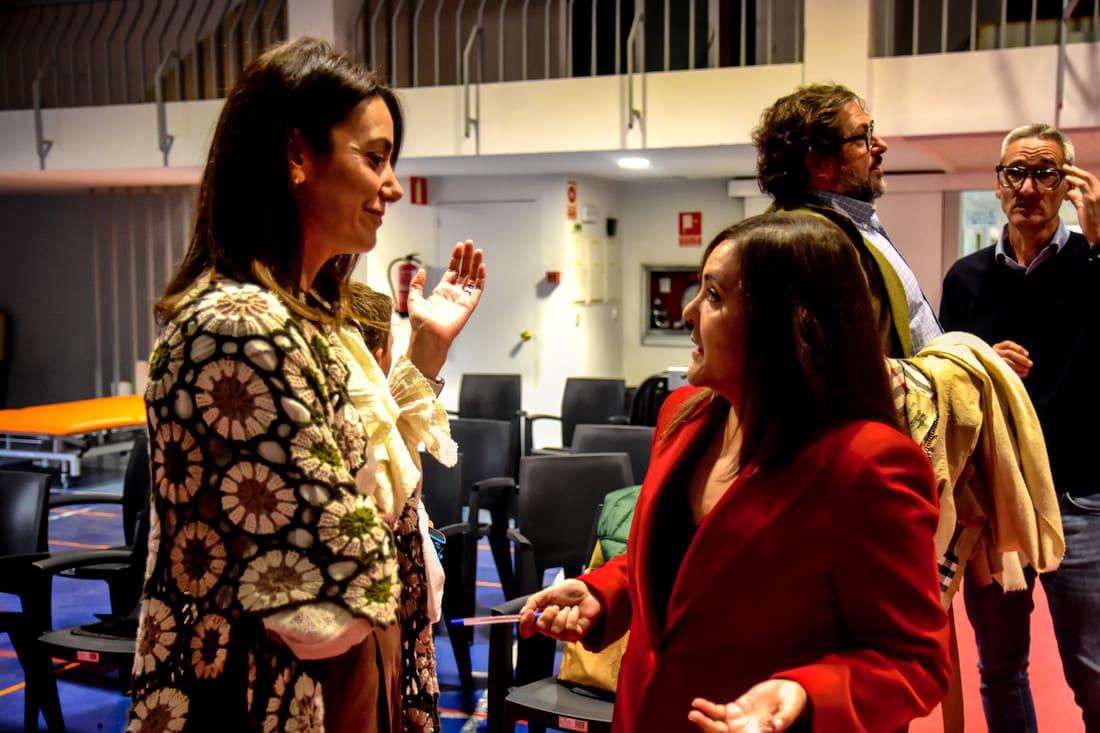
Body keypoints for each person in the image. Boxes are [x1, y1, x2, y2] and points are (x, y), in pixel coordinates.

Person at [127, 37, 485, 733]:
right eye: (374, 158)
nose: (392, 187)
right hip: (270, 696)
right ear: (297, 155)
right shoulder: (239, 325)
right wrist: (383, 562)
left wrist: (426, 351)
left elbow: (375, 483)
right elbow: (331, 572)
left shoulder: (312, 320)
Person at [519, 212, 951, 732]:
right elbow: (678, 565)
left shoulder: (868, 464)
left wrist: (804, 694)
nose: (688, 311)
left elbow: (913, 661)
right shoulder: (682, 418)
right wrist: (603, 592)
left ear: (785, 323)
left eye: (714, 295)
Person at [939, 123, 1100, 733]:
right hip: (997, 501)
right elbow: (941, 380)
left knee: (1093, 673)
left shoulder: (1093, 260)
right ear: (998, 184)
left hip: (1080, 496)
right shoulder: (966, 278)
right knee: (1001, 669)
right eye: (1016, 173)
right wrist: (979, 360)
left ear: (1068, 185)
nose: (1029, 187)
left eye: (1045, 174)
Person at [752, 83, 941, 357]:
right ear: (818, 163)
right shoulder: (803, 243)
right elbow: (832, 362)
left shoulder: (853, 223)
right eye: (863, 137)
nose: (881, 145)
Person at [342, 281, 454, 730]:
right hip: (371, 624)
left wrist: (429, 348)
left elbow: (401, 414)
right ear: (379, 352)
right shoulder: (365, 434)